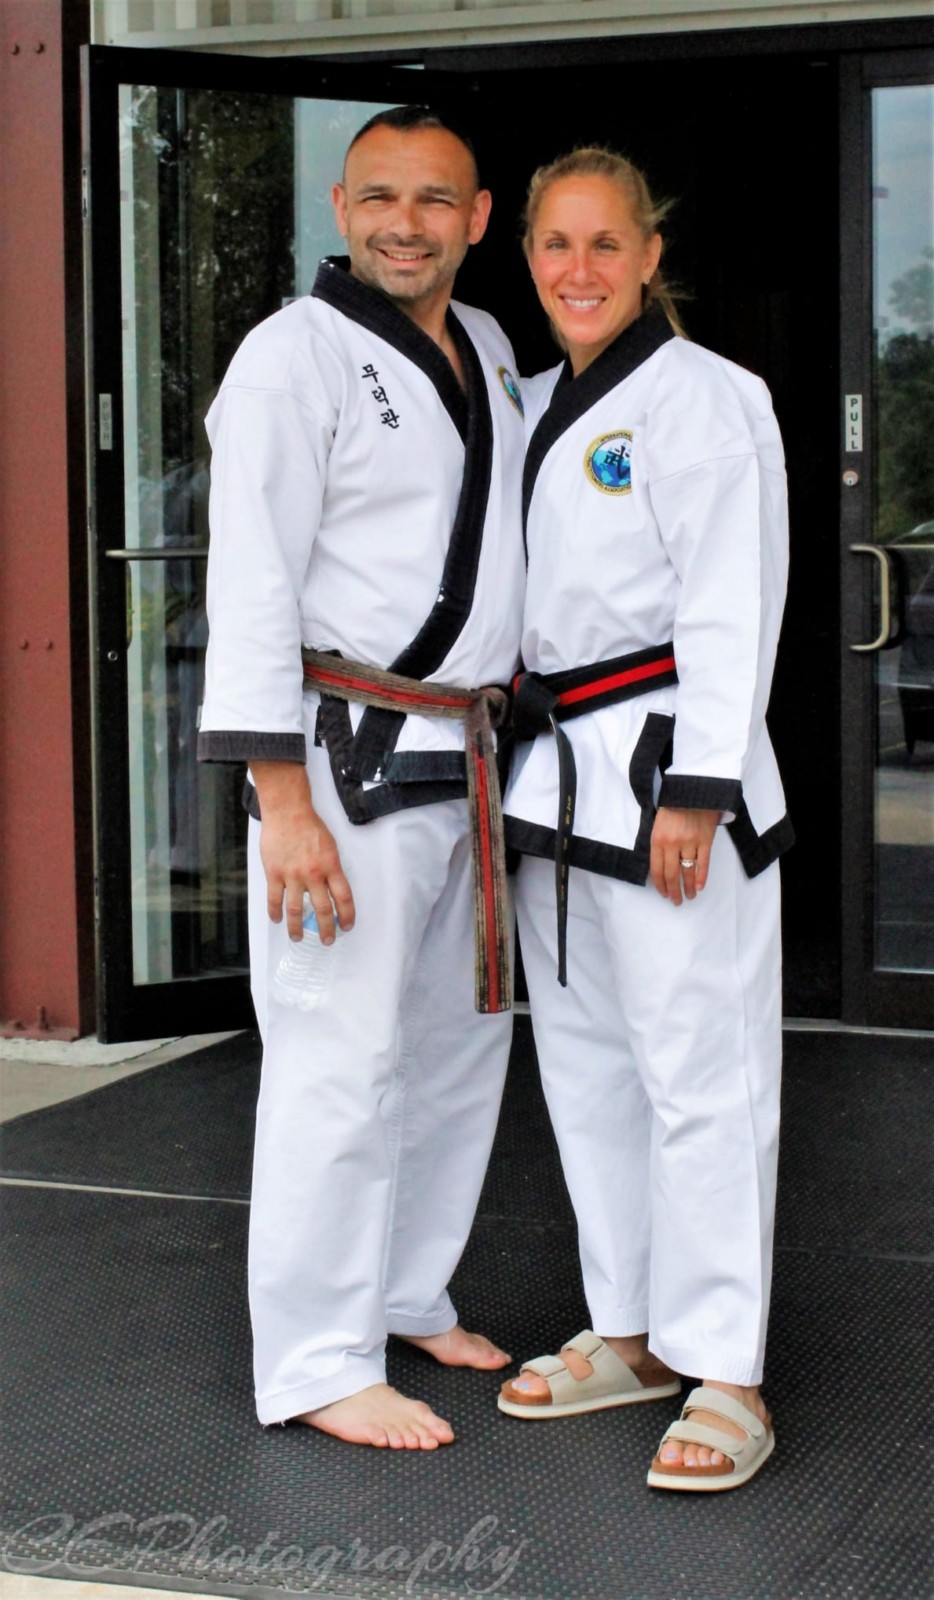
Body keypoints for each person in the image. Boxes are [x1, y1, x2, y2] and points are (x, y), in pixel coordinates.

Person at [197, 107, 527, 1450]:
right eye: (381, 197)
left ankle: (403, 1289)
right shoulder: (293, 356)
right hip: (345, 756)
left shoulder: (493, 347)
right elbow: (254, 580)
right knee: (340, 1058)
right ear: (340, 207)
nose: (407, 222)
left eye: (436, 200)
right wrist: (281, 804)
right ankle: (320, 1357)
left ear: (478, 216)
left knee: (454, 1048)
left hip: (474, 749)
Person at [498, 148, 792, 1491]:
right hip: (554, 774)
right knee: (590, 1072)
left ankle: (724, 1367)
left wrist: (698, 786)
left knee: (701, 1078)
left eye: (603, 243)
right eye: (556, 244)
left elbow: (734, 602)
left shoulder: (706, 401)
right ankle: (630, 1330)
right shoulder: (526, 402)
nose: (577, 270)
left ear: (649, 253)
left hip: (672, 763)